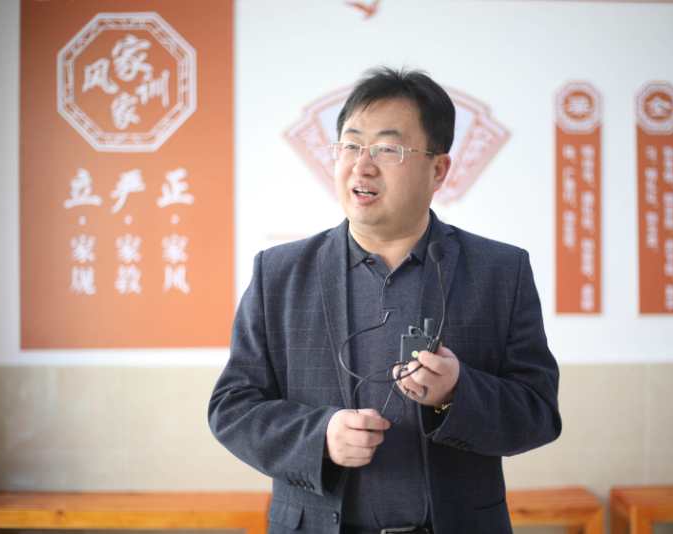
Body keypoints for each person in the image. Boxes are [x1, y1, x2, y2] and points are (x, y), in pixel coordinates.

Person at [208, 67, 561, 534]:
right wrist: (320, 437)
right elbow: (232, 407)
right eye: (351, 146)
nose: (362, 166)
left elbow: (538, 413)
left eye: (388, 149)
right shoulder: (280, 273)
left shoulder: (499, 271)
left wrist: (456, 393)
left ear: (438, 169)